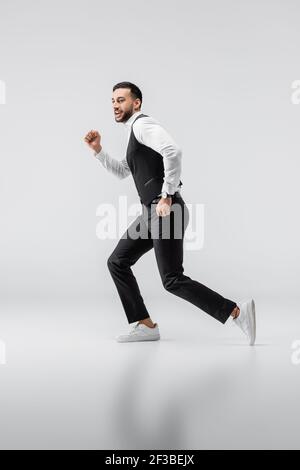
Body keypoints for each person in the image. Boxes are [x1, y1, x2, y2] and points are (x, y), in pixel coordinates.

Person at [84, 82, 256, 345]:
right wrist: (98, 151)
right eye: (113, 101)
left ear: (136, 103)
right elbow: (122, 171)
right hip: (150, 213)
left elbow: (173, 151)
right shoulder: (134, 134)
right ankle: (145, 324)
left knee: (172, 279)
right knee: (117, 261)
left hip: (165, 210)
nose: (116, 106)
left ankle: (237, 312)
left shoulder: (142, 125)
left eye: (121, 100)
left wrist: (167, 194)